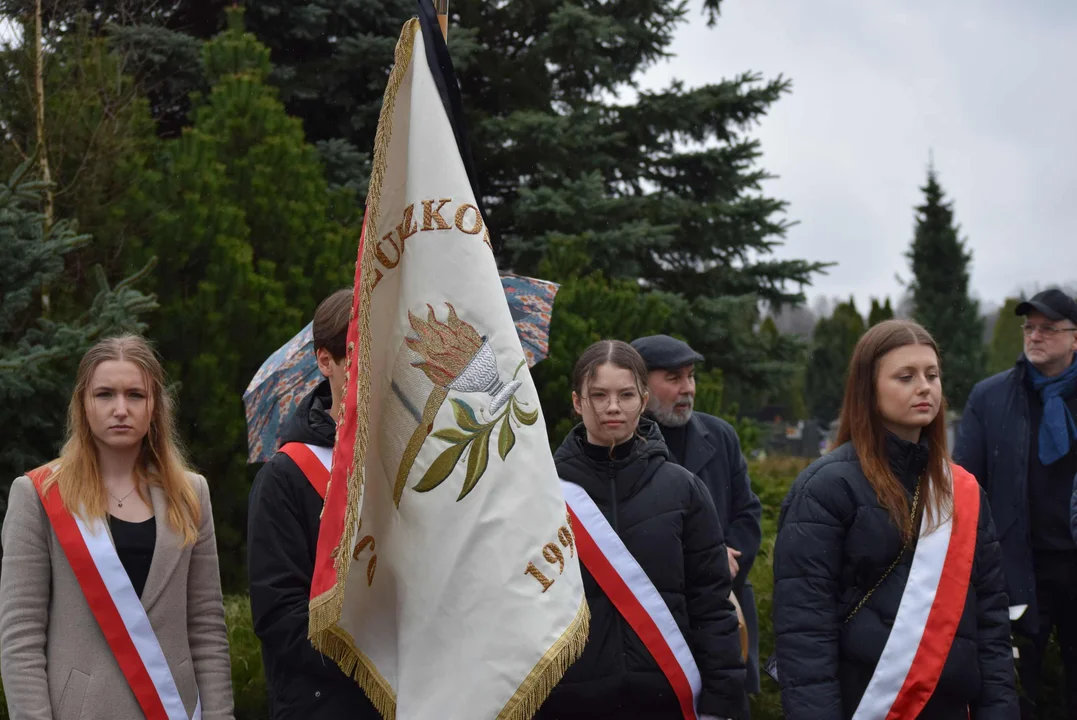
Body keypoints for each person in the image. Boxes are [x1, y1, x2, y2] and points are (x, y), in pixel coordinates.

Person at [773, 320, 1017, 719]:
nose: (925, 387)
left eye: (932, 375)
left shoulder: (964, 491)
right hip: (863, 705)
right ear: (868, 391)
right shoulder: (825, 488)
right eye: (906, 377)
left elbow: (990, 625)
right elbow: (805, 634)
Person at [0, 334, 234, 719]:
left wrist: (220, 715)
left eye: (135, 395)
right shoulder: (38, 496)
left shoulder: (192, 494)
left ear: (155, 405)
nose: (121, 408)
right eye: (105, 394)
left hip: (173, 709)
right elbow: (21, 638)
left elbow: (207, 627)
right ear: (83, 404)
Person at [539, 339, 745, 720]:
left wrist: (721, 703)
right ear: (577, 401)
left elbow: (711, 607)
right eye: (598, 395)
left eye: (626, 394)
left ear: (644, 398)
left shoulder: (684, 490)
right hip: (570, 703)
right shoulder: (541, 493)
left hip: (667, 699)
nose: (613, 407)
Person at [247, 288, 379, 719]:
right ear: (326, 361)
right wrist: (376, 660)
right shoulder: (284, 477)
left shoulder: (413, 466)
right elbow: (279, 617)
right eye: (362, 353)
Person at [954, 288, 1077, 718]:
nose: (1035, 336)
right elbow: (964, 485)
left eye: (1048, 328)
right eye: (1029, 327)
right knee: (1017, 688)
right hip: (1017, 565)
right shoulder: (990, 398)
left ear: (1075, 338)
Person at [631, 334, 763, 710]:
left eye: (690, 377)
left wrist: (727, 561)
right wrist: (708, 559)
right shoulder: (626, 443)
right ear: (641, 385)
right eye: (673, 378)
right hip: (659, 622)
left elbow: (749, 513)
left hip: (725, 614)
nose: (687, 388)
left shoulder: (720, 435)